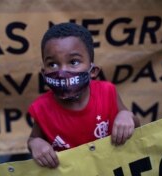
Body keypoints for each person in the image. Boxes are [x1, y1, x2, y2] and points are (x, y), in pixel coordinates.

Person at [27, 22, 140, 168]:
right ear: (43, 73)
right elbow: (34, 138)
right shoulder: (41, 108)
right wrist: (35, 144)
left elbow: (136, 126)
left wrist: (127, 115)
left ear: (93, 71)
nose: (62, 73)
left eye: (73, 62)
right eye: (53, 64)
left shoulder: (107, 92)